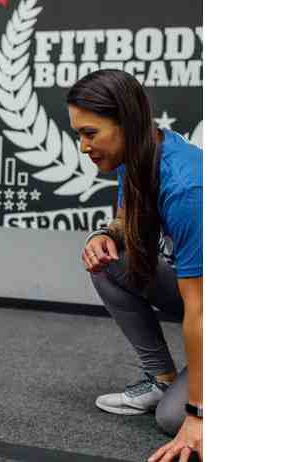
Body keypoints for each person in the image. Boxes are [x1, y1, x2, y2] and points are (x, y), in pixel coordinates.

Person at [67, 69, 202, 462]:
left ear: (127, 123)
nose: (83, 146)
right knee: (107, 263)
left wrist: (198, 415)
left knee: (176, 418)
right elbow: (127, 219)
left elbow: (202, 310)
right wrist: (103, 235)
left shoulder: (188, 188)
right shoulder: (138, 153)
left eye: (90, 133)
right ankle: (161, 380)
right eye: (79, 134)